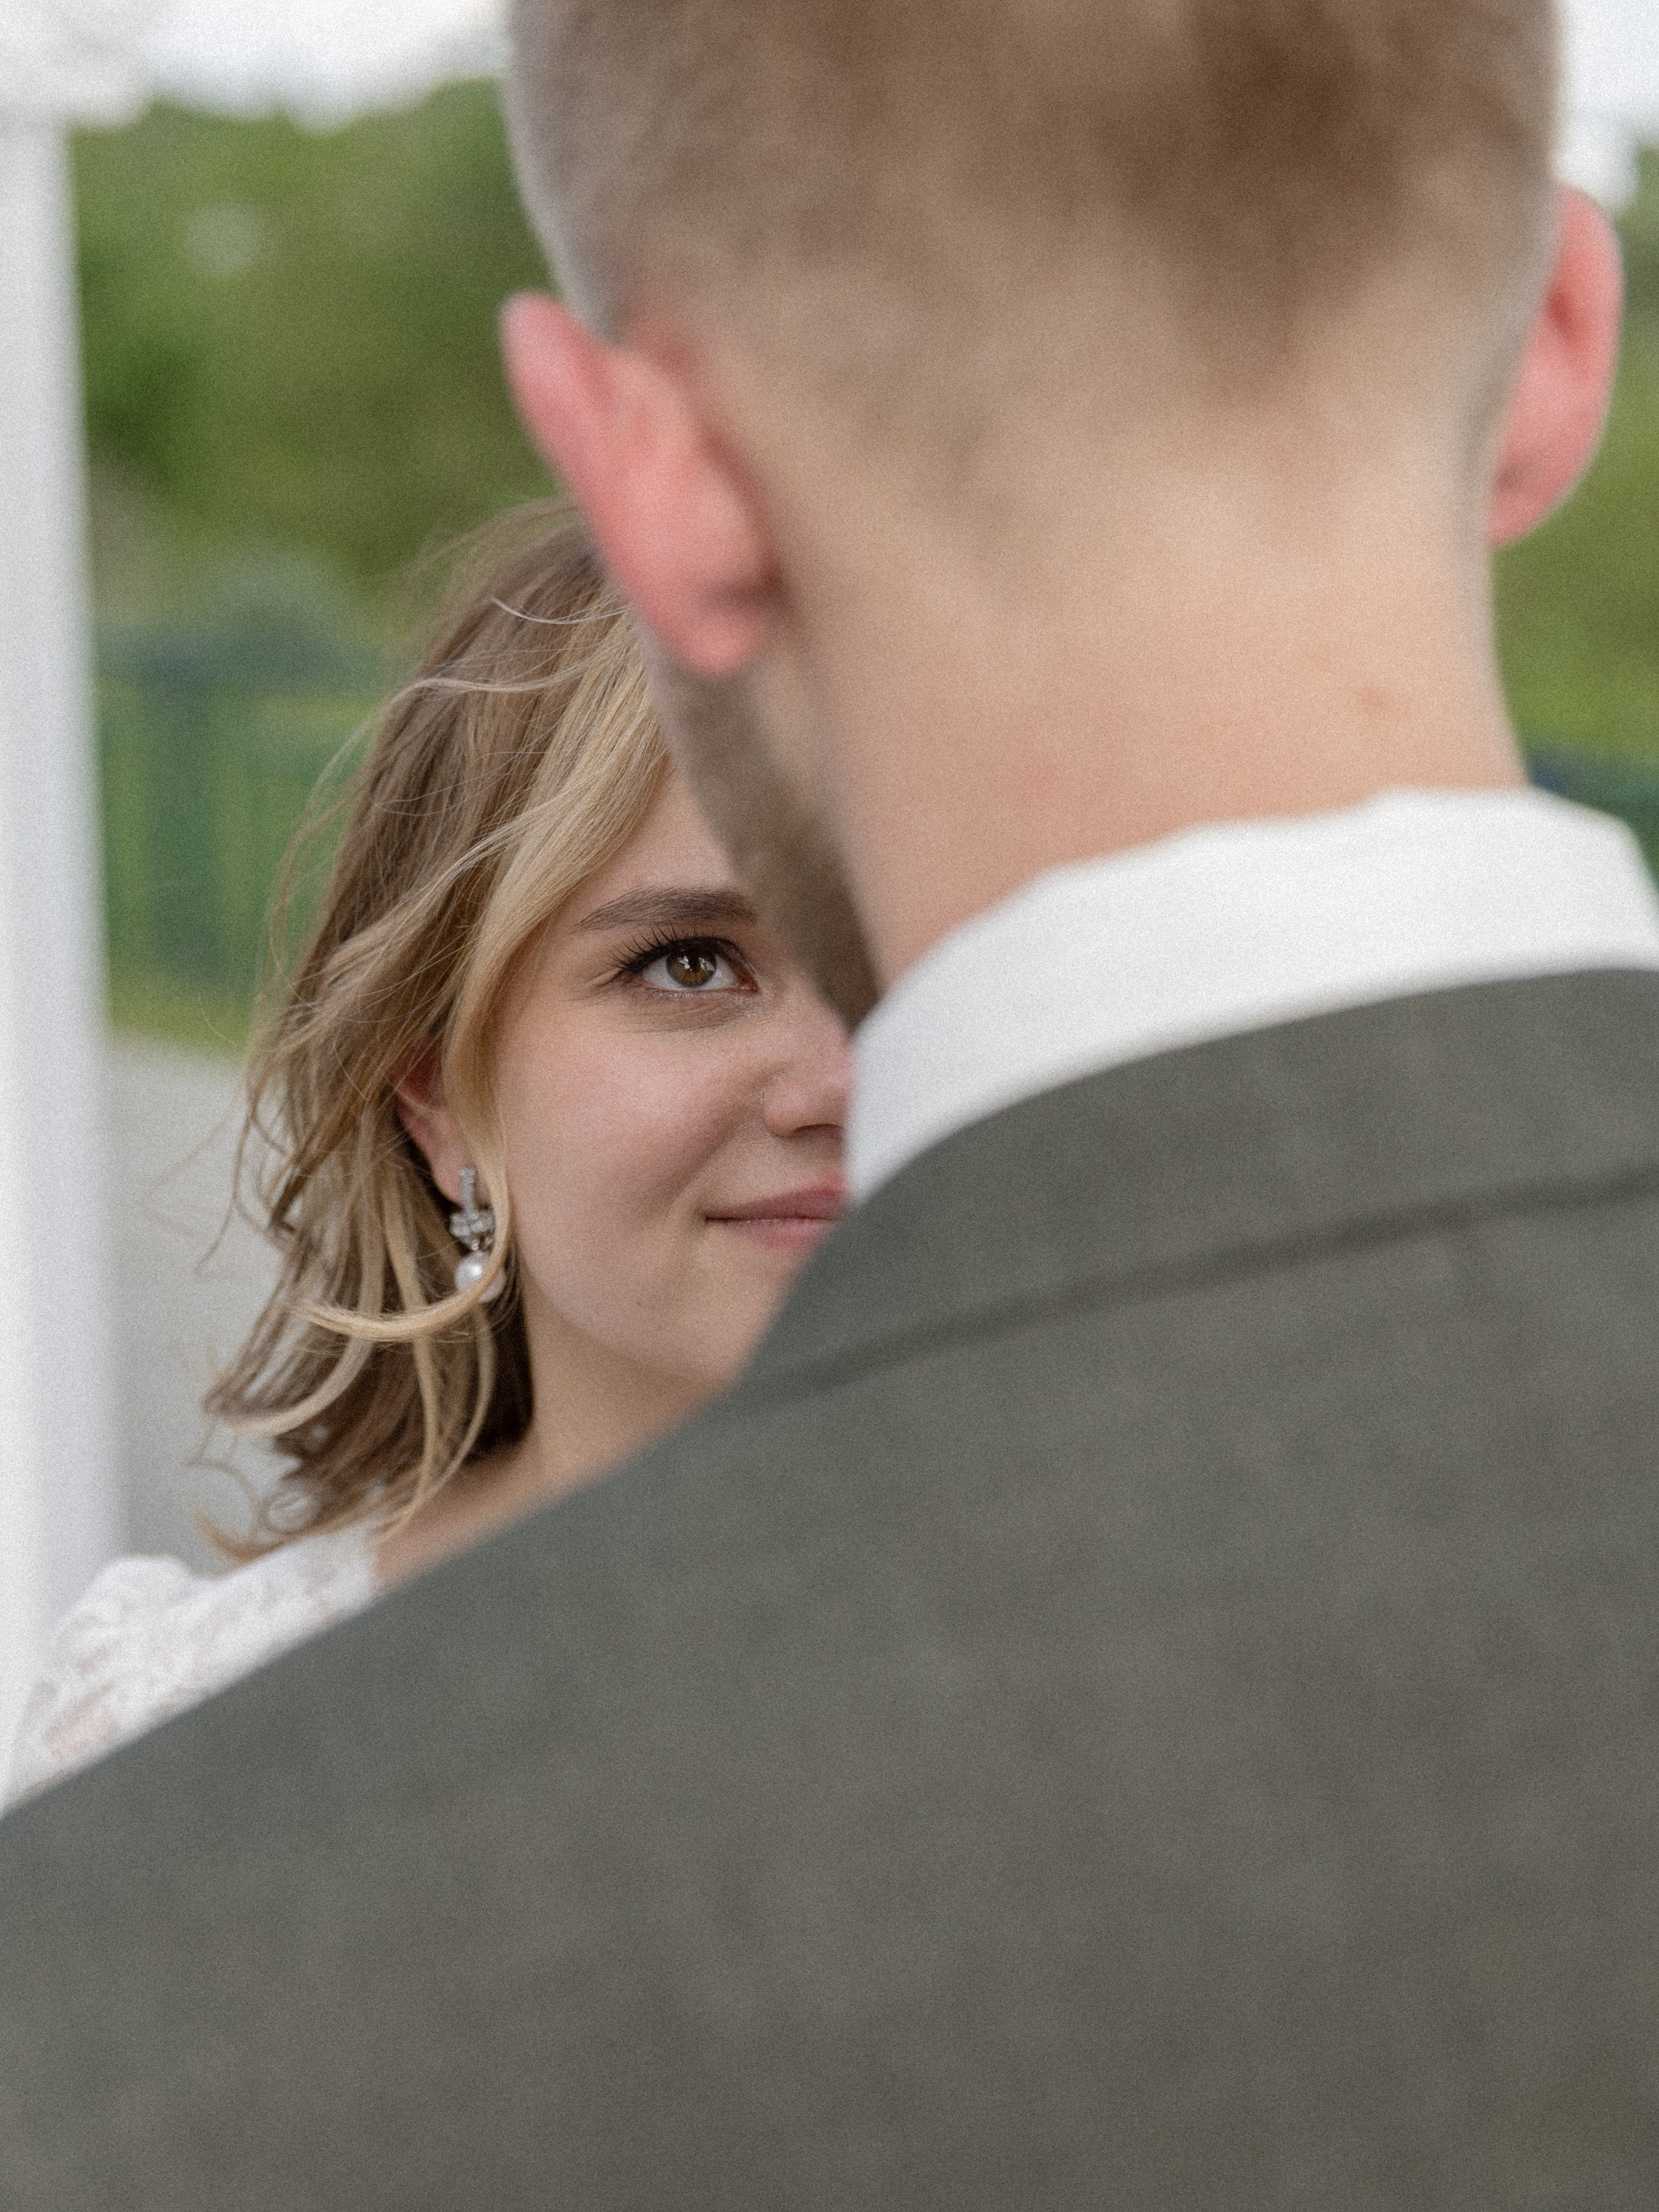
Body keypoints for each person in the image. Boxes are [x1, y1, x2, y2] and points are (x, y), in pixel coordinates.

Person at [1, 3, 1655, 2204]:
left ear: (657, 477)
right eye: (686, 965)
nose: (834, 1077)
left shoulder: (166, 1970)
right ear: (1558, 337)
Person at [3, 506, 848, 1805]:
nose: (836, 1078)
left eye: (896, 956)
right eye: (688, 963)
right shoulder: (183, 1749)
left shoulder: (1219, 1625)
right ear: (440, 1095)